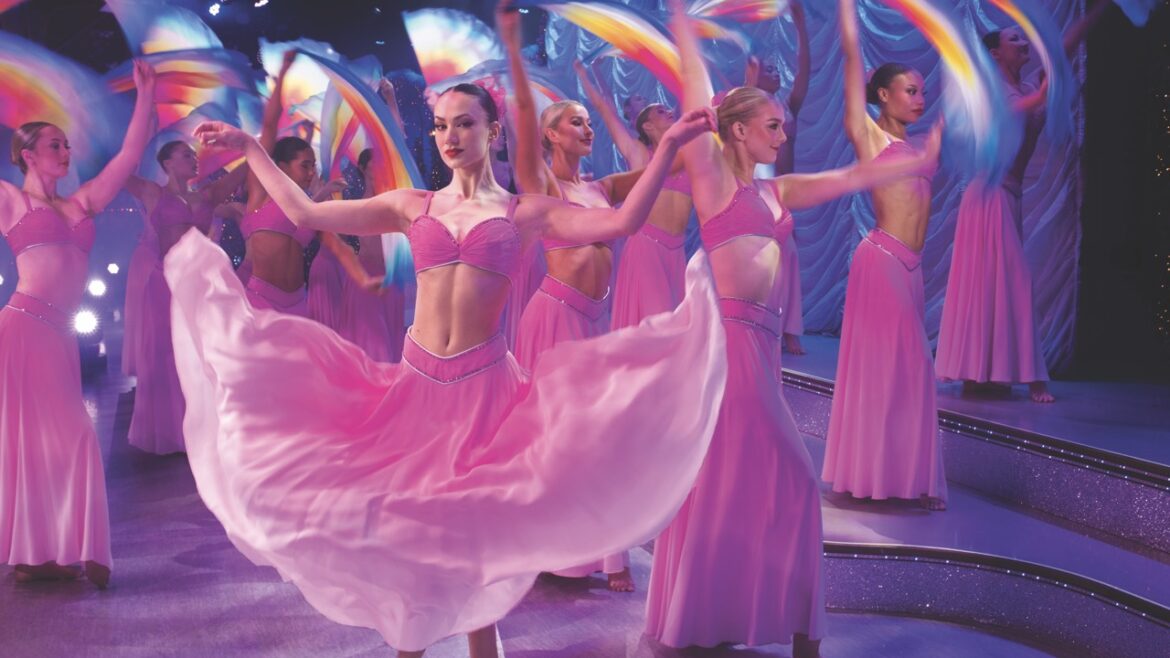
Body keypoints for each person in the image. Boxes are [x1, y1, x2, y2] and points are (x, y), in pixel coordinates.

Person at [178, 78, 722, 657]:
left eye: (463, 122)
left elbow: (620, 225)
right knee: (411, 539)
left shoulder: (524, 211)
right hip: (416, 389)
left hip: (484, 390)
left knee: (470, 541)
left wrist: (666, 150)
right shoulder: (412, 204)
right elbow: (305, 208)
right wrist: (250, 146)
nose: (449, 136)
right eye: (440, 125)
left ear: (493, 129)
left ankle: (479, 648)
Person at [645, 2, 941, 653]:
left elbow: (851, 175)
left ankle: (726, 619)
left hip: (760, 359)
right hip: (728, 356)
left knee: (730, 484)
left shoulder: (776, 191)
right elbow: (695, 88)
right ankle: (793, 629)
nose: (783, 133)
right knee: (791, 483)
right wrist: (679, 19)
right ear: (741, 132)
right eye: (772, 125)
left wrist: (916, 154)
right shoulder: (714, 181)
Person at [0, 61, 156, 588]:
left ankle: (41, 553)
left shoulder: (80, 202)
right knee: (69, 438)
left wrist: (146, 96)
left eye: (66, 145)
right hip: (22, 329)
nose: (65, 153)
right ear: (27, 154)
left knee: (49, 443)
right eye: (54, 146)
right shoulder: (10, 201)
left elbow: (129, 156)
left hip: (60, 335)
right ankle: (73, 548)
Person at [936, 1, 1108, 403]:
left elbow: (1057, 56)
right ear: (995, 52)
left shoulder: (1024, 87)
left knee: (993, 284)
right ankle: (1034, 380)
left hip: (1007, 197)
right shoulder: (994, 93)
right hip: (988, 195)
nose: (1022, 42)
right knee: (1010, 280)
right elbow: (1024, 103)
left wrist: (1091, 16)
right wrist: (1049, 72)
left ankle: (981, 373)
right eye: (1014, 39)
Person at [821, 0, 948, 511]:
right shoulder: (869, 136)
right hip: (882, 261)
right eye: (911, 91)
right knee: (900, 366)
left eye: (922, 91)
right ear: (883, 95)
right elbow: (852, 58)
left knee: (908, 371)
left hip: (911, 269)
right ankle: (874, 477)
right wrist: (848, 10)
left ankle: (904, 477)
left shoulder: (920, 143)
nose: (920, 98)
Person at [122, 140, 248, 454]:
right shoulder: (154, 193)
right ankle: (174, 430)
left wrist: (256, 147)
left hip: (201, 286)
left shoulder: (206, 195)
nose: (194, 159)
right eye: (186, 155)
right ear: (167, 163)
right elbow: (121, 171)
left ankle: (209, 425)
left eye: (194, 154)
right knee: (168, 354)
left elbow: (244, 170)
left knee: (205, 352)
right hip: (165, 284)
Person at [240, 50, 373, 317]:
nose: (312, 171)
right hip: (260, 301)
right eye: (305, 165)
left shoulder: (305, 202)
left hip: (299, 302)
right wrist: (285, 72)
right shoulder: (260, 192)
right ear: (280, 166)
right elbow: (269, 127)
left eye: (313, 165)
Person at [574, 63, 697, 333]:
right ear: (648, 126)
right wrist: (586, 73)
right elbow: (606, 108)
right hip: (647, 247)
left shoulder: (688, 156)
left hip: (677, 252)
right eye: (660, 111)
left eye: (669, 110)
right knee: (658, 326)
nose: (669, 112)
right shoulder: (640, 154)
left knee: (676, 327)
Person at [746, 0, 811, 357]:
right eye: (765, 67)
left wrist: (801, 24)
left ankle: (789, 331)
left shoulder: (787, 106)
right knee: (759, 261)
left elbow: (804, 69)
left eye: (775, 67)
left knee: (789, 261)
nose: (774, 69)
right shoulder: (746, 108)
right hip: (754, 193)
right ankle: (757, 323)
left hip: (782, 194)